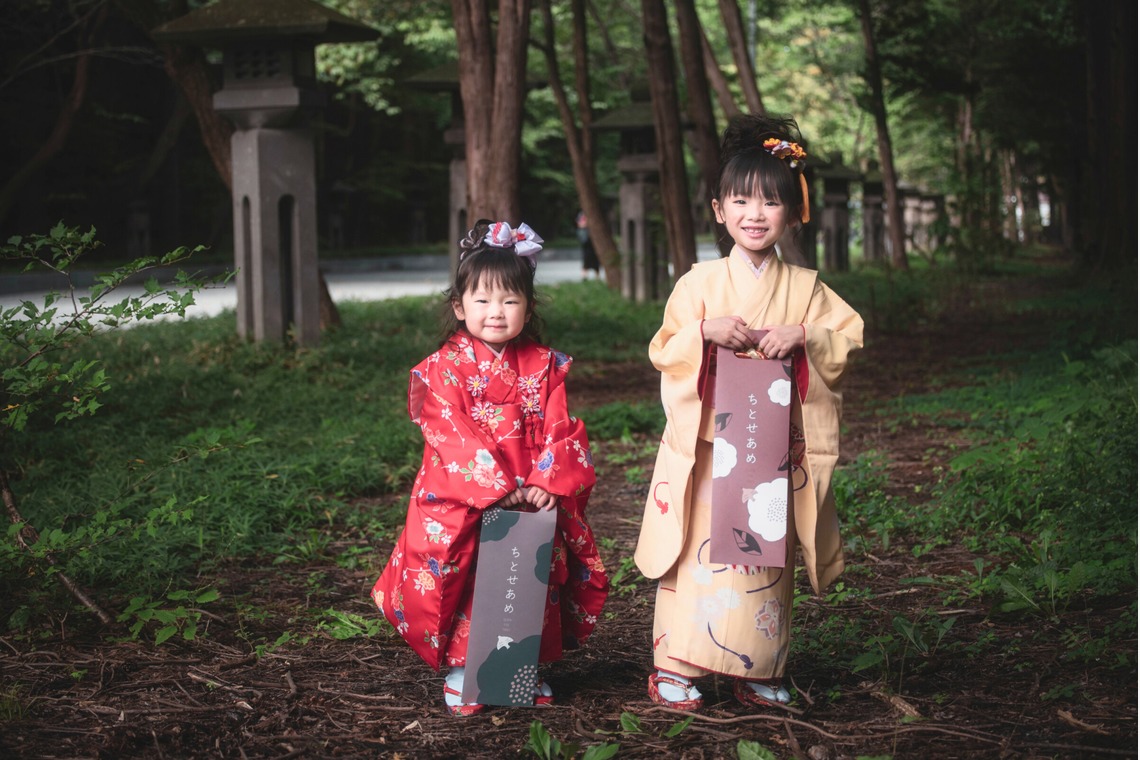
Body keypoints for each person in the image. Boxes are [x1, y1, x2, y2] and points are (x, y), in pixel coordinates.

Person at [635, 115, 863, 711]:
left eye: (771, 201)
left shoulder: (808, 288)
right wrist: (703, 333)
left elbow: (848, 339)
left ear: (792, 211)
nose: (755, 213)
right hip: (710, 450)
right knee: (697, 554)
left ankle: (758, 666)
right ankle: (676, 666)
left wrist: (807, 335)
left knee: (764, 554)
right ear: (718, 209)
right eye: (740, 200)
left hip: (769, 452)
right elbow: (665, 350)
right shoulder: (698, 283)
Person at [372, 220, 609, 716]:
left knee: (532, 573)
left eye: (509, 300)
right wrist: (497, 488)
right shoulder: (443, 368)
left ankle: (523, 667)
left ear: (528, 306)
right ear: (460, 307)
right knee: (471, 576)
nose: (495, 312)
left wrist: (548, 480)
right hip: (470, 496)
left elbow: (563, 427)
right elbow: (448, 433)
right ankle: (464, 670)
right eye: (481, 301)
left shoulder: (545, 365)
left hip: (532, 495)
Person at [576, 210, 601, 280]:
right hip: (586, 242)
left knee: (595, 263)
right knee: (586, 262)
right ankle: (584, 278)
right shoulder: (582, 214)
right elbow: (580, 224)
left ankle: (597, 279)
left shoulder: (593, 214)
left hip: (593, 245)